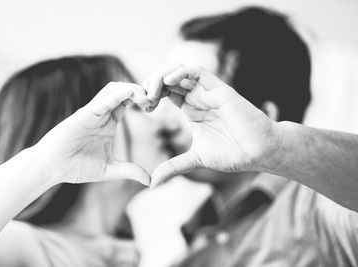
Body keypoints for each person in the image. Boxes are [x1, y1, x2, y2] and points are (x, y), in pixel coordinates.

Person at [145, 63, 358, 266]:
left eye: (188, 91)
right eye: (167, 92)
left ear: (264, 113)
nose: (166, 125)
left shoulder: (320, 207)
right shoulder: (187, 248)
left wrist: (276, 143)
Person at [0, 55, 151, 266]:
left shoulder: (129, 255)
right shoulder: (19, 247)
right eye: (134, 106)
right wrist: (47, 165)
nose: (159, 119)